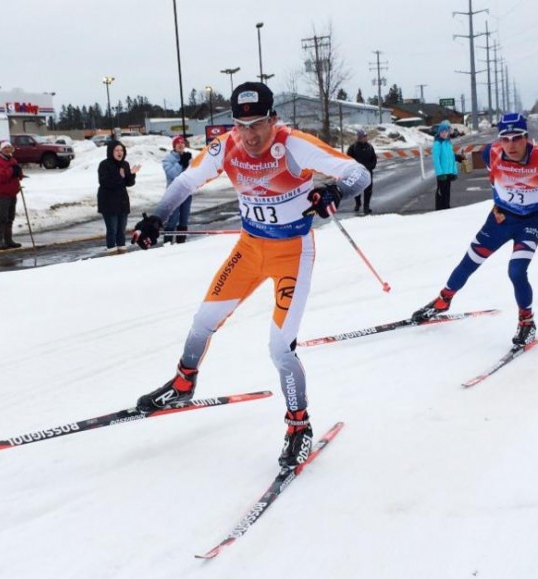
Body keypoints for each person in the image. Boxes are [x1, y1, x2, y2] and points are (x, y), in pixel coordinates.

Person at [131, 81, 370, 468]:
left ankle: (299, 425)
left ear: (273, 119)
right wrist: (158, 216)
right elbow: (186, 181)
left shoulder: (293, 145)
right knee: (203, 320)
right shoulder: (226, 146)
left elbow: (359, 173)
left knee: (280, 348)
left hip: (293, 252)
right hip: (249, 249)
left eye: (258, 123)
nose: (250, 134)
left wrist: (335, 192)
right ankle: (182, 383)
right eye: (242, 125)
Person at [412, 112, 538, 346]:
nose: (511, 145)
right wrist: (497, 202)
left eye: (517, 138)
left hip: (530, 222)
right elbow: (493, 178)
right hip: (500, 220)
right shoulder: (492, 152)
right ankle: (443, 301)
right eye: (505, 139)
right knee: (469, 262)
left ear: (526, 137)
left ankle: (527, 322)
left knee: (516, 271)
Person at [97, 140, 140, 254]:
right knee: (112, 230)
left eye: (121, 150)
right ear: (111, 151)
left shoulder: (124, 164)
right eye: (117, 150)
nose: (119, 152)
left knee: (121, 230)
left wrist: (132, 174)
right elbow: (105, 182)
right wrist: (119, 176)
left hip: (122, 202)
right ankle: (112, 253)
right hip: (109, 203)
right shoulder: (104, 165)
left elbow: (128, 183)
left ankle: (122, 252)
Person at [0, 140, 24, 250]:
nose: (7, 149)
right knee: (2, 217)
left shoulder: (13, 160)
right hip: (3, 193)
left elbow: (18, 175)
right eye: (5, 148)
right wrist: (12, 170)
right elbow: (1, 177)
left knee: (10, 217)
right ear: (1, 149)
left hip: (13, 192)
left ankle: (9, 240)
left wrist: (19, 172)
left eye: (9, 147)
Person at [161, 135, 193, 244]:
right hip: (173, 194)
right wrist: (180, 164)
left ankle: (181, 244)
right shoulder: (167, 159)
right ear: (174, 146)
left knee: (184, 219)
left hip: (186, 193)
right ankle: (168, 243)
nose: (180, 145)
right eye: (178, 143)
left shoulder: (188, 157)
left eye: (182, 143)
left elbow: (194, 173)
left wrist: (190, 163)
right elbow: (172, 174)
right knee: (172, 220)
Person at [432, 120, 465, 211]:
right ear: (439, 132)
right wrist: (439, 173)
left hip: (449, 172)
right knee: (441, 192)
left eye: (446, 131)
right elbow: (436, 159)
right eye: (442, 132)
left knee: (447, 192)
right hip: (442, 173)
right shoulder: (438, 143)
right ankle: (440, 209)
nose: (444, 133)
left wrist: (454, 171)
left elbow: (451, 157)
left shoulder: (448, 143)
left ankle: (447, 208)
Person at [346, 129, 377, 214]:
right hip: (356, 172)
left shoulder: (370, 147)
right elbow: (348, 159)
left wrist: (371, 166)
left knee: (368, 190)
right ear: (360, 138)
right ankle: (358, 203)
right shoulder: (353, 148)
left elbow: (373, 158)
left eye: (366, 136)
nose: (366, 138)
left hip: (367, 172)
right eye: (364, 136)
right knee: (357, 189)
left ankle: (366, 207)